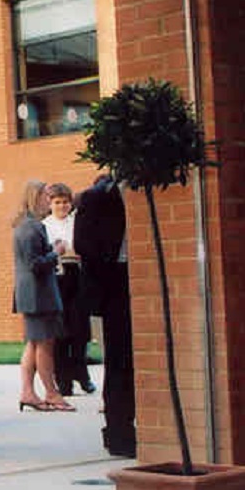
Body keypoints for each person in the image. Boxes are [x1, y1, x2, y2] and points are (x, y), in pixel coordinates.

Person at [75, 173, 135, 457]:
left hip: (142, 276)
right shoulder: (96, 199)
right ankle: (119, 432)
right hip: (114, 284)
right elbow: (83, 244)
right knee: (119, 359)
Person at [13, 179, 73, 413]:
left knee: (34, 343)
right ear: (35, 197)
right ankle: (52, 393)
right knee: (46, 344)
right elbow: (34, 264)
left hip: (31, 293)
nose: (48, 202)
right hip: (39, 294)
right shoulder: (32, 226)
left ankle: (28, 392)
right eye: (46, 197)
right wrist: (56, 252)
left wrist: (49, 250)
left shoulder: (25, 224)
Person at [42, 182, 95, 396]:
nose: (62, 206)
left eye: (65, 202)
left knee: (80, 330)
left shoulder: (77, 221)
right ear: (50, 203)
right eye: (57, 202)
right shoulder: (45, 225)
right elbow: (50, 250)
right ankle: (63, 380)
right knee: (61, 331)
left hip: (78, 275)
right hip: (58, 278)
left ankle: (82, 375)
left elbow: (83, 246)